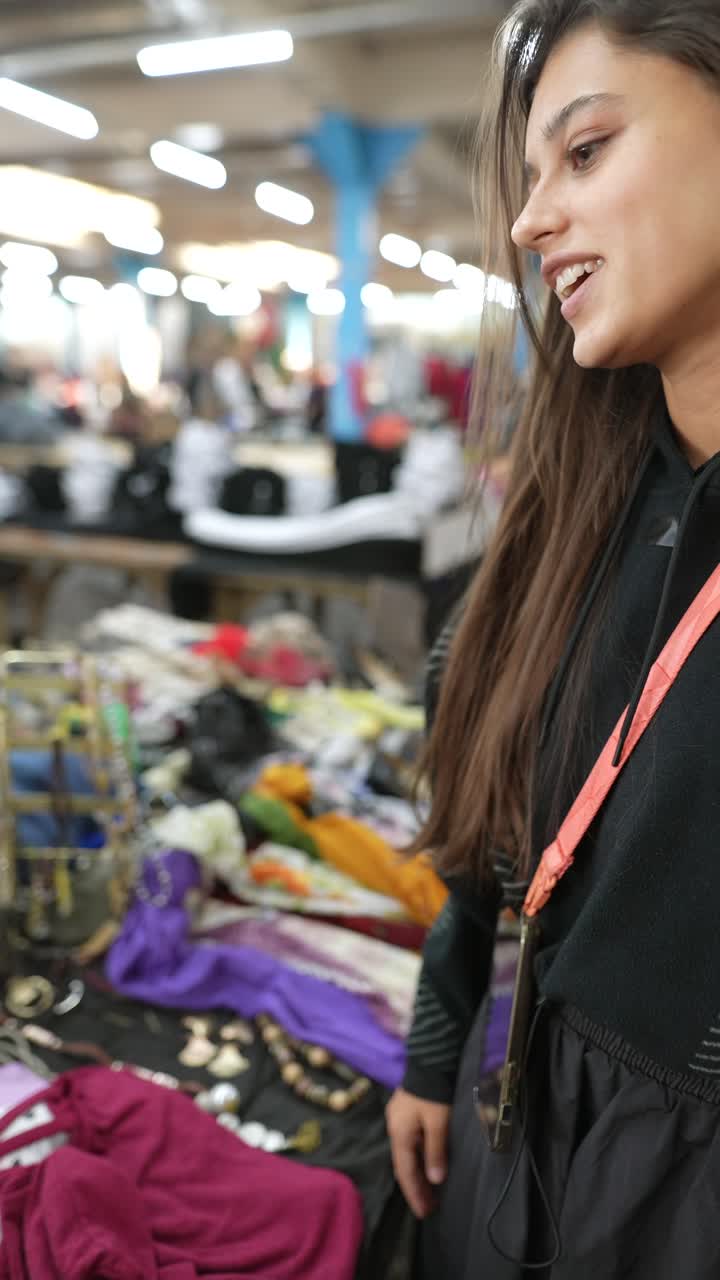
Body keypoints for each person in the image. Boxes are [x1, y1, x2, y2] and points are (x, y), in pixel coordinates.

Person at [386, 3, 720, 1276]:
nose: (529, 223)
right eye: (529, 180)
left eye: (584, 154)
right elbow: (501, 816)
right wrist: (437, 1030)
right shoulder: (580, 505)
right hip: (527, 1150)